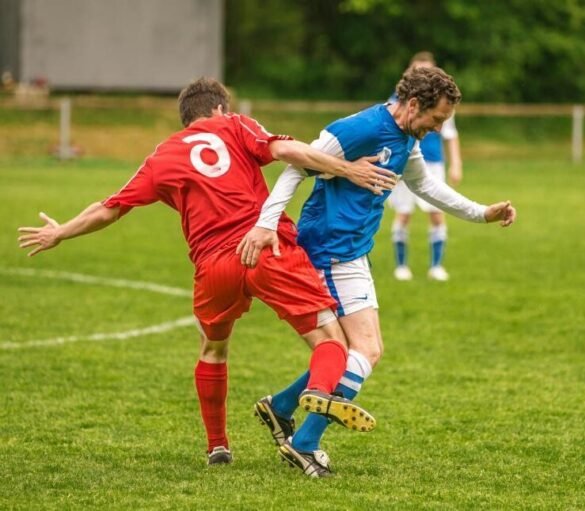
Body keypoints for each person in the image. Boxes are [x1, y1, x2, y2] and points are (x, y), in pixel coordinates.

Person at [17, 77, 399, 467]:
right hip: (266, 248)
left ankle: (217, 445)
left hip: (214, 268)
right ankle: (319, 392)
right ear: (220, 108)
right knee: (330, 341)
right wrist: (346, 169)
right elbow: (287, 150)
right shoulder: (236, 125)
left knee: (214, 349)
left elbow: (109, 208)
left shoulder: (162, 156)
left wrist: (61, 232)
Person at [239, 66, 516, 477]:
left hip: (353, 252)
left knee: (358, 351)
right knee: (366, 350)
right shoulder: (359, 128)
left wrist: (481, 213)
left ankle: (281, 407)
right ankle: (305, 443)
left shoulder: (407, 137)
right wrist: (266, 223)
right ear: (414, 104)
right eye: (436, 119)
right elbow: (296, 165)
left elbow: (425, 186)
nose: (438, 129)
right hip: (331, 249)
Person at [388, 51, 463, 281]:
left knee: (437, 212)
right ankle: (401, 266)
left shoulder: (443, 102)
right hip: (403, 163)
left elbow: (450, 135)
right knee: (403, 213)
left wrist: (456, 163)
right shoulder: (396, 101)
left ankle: (436, 266)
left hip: (432, 163)